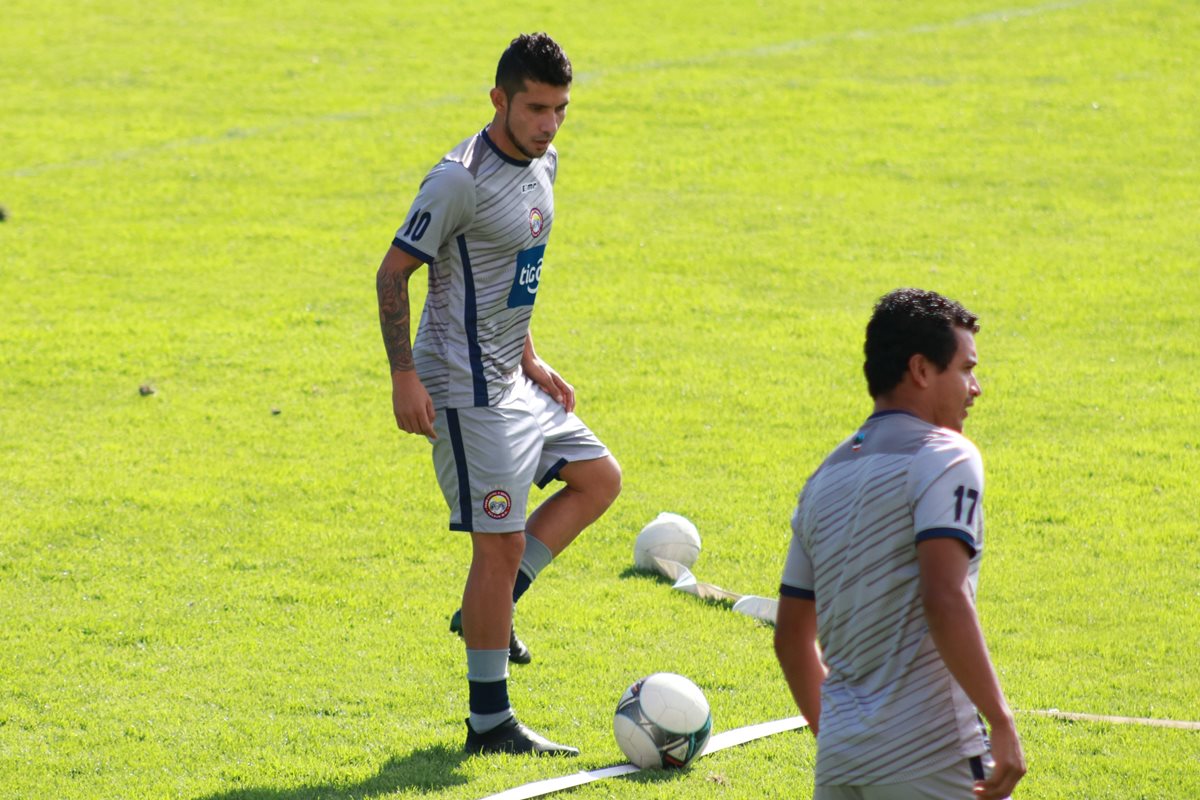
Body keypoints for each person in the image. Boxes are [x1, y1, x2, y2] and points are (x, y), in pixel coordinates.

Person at [375, 33, 621, 756]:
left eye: (561, 109)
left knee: (598, 479)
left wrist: (533, 357)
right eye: (536, 108)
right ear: (498, 101)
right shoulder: (457, 181)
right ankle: (489, 722)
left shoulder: (545, 161)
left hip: (511, 377)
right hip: (461, 387)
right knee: (499, 540)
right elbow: (393, 276)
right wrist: (404, 377)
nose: (549, 123)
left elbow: (514, 271)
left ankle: (492, 607)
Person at [774, 288, 1026, 799]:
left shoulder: (822, 479)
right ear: (920, 369)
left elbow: (791, 638)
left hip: (842, 763)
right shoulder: (946, 455)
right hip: (934, 755)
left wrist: (847, 741)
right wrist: (1000, 719)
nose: (975, 387)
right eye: (965, 369)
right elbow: (944, 596)